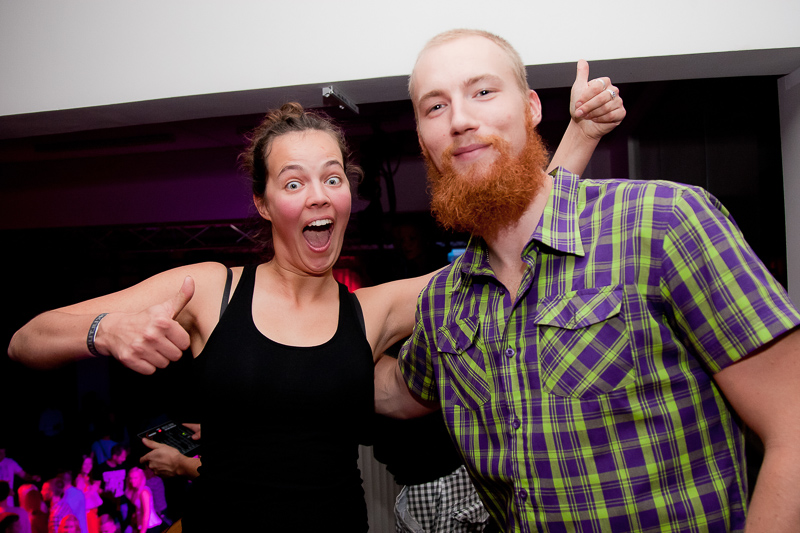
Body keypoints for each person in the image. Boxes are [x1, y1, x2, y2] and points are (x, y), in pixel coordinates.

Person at [8, 73, 623, 529]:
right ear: (263, 202)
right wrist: (106, 330)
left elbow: (514, 239)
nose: (319, 196)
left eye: (332, 178)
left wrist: (579, 135)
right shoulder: (210, 288)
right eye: (294, 182)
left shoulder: (373, 312)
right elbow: (26, 340)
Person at [375, 28, 800, 532]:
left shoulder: (663, 222)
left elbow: (792, 425)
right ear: (422, 139)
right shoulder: (444, 301)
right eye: (435, 107)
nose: (460, 120)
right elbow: (395, 392)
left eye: (483, 91)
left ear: (531, 108)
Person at [123, 468, 161, 533]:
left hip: (150, 526)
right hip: (144, 526)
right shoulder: (136, 491)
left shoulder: (144, 492)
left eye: (135, 478)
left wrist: (143, 531)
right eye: (131, 478)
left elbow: (146, 513)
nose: (132, 481)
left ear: (141, 478)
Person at [75, 456, 102, 533]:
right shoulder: (80, 479)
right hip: (87, 515)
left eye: (90, 463)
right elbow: (80, 500)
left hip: (92, 514)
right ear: (80, 465)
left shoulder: (86, 478)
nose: (88, 466)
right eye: (85, 464)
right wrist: (93, 490)